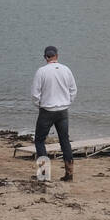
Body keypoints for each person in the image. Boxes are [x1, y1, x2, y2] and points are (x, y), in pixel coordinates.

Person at [31, 45, 78, 182]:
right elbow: (73, 89)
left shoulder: (41, 71)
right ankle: (69, 173)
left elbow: (35, 94)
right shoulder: (66, 70)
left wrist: (39, 105)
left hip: (47, 110)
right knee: (65, 141)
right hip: (62, 110)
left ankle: (44, 174)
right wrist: (67, 102)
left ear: (46, 57)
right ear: (57, 55)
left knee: (40, 140)